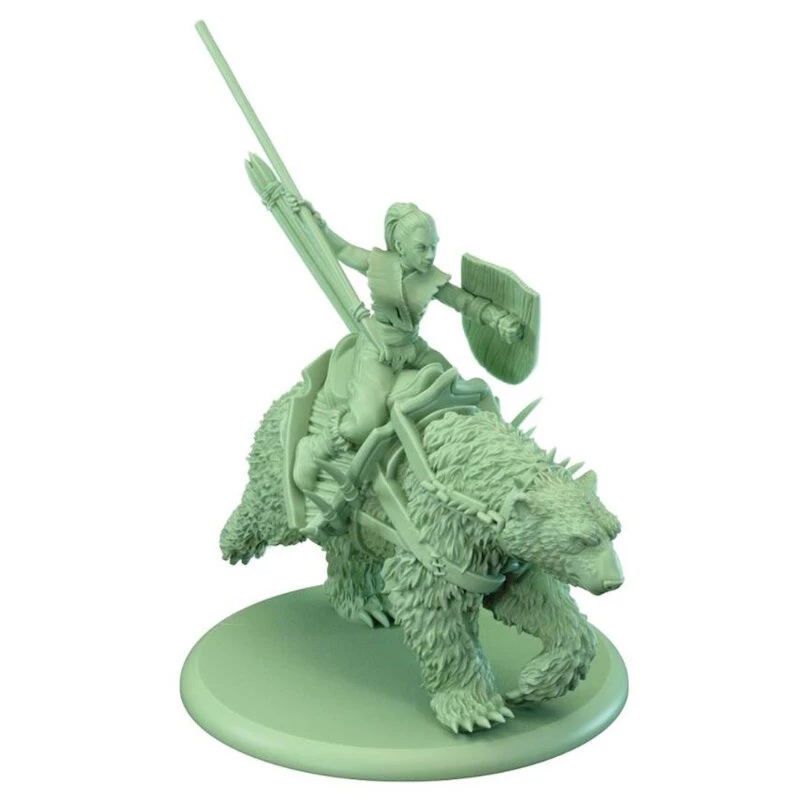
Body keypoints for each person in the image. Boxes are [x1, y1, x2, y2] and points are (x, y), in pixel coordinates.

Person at [292, 201, 523, 491]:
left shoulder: (431, 277)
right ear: (400, 247)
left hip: (413, 348)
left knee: (464, 392)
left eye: (434, 246)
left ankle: (503, 447)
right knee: (365, 423)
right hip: (378, 349)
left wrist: (497, 319)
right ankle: (316, 446)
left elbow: (463, 301)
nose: (430, 255)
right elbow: (344, 251)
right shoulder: (380, 265)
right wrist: (321, 228)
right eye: (422, 248)